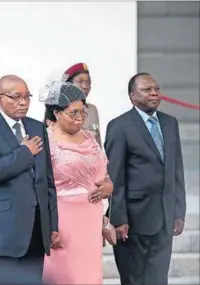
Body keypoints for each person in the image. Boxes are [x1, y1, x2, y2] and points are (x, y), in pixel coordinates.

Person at [0, 75, 61, 285]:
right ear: (0, 99)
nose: (23, 102)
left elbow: (47, 180)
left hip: (35, 231)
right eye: (16, 97)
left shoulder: (37, 128)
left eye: (27, 97)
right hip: (2, 233)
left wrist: (52, 224)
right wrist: (25, 152)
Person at [104, 72, 186, 285]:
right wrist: (118, 217)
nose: (154, 93)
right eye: (147, 90)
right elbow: (115, 175)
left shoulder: (170, 123)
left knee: (158, 279)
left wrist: (178, 211)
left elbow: (176, 169)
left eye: (156, 89)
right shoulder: (119, 126)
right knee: (134, 280)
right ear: (132, 96)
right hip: (133, 221)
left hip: (164, 218)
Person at [40, 81, 114, 285]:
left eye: (83, 112)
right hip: (61, 222)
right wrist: (47, 226)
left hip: (90, 220)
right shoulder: (45, 140)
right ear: (56, 113)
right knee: (65, 277)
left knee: (89, 277)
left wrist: (110, 186)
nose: (80, 118)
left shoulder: (89, 136)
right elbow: (37, 184)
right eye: (74, 113)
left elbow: (102, 171)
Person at [62, 63, 102, 146]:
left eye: (88, 82)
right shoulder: (59, 110)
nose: (85, 86)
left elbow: (97, 142)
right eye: (80, 81)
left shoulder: (92, 110)